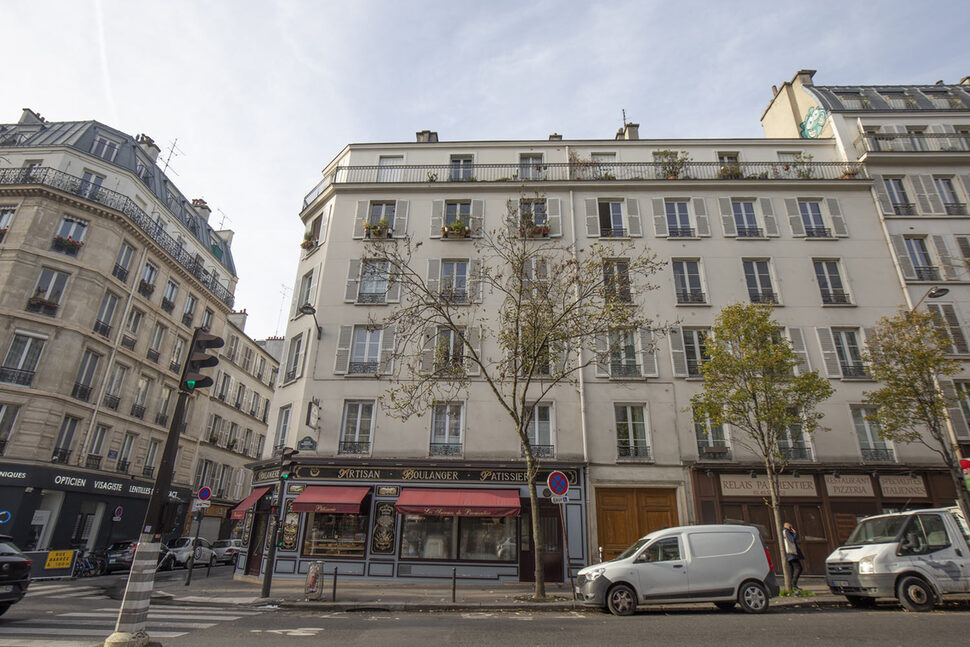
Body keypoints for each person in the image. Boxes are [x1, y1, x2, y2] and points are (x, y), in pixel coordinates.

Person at [783, 522, 805, 590]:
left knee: (791, 569)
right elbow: (792, 539)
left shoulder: (784, 532)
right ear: (788, 526)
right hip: (791, 553)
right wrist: (795, 533)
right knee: (798, 568)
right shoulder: (787, 532)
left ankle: (791, 585)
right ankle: (793, 584)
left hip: (788, 553)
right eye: (791, 527)